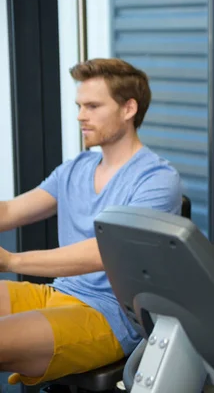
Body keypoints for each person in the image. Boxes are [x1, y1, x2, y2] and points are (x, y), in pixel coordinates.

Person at [0, 58, 182, 386]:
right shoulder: (76, 168)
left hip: (109, 315)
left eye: (93, 106)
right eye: (80, 106)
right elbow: (9, 212)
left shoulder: (156, 178)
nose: (80, 116)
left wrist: (12, 260)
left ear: (128, 109)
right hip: (57, 294)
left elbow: (105, 252)